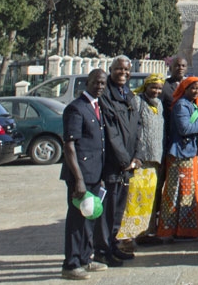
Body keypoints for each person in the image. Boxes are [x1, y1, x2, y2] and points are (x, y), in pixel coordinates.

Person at [60, 69, 108, 280]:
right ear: (87, 83)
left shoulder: (97, 107)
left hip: (95, 174)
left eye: (103, 83)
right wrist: (78, 179)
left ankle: (85, 258)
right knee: (76, 222)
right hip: (81, 176)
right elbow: (69, 146)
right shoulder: (76, 109)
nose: (99, 86)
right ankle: (71, 264)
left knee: (90, 218)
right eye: (96, 82)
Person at [95, 56, 140, 267]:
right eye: (118, 69)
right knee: (108, 210)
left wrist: (136, 156)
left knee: (119, 209)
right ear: (110, 70)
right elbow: (111, 132)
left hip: (128, 164)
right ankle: (103, 251)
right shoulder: (105, 96)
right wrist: (124, 160)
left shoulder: (129, 95)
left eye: (126, 70)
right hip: (114, 164)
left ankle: (114, 245)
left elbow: (136, 128)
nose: (123, 73)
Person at [157, 76, 198, 241]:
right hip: (181, 155)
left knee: (187, 192)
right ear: (185, 88)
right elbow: (184, 128)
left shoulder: (190, 104)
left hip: (188, 153)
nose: (197, 92)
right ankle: (175, 231)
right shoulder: (182, 105)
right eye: (193, 88)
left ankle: (184, 230)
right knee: (178, 192)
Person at [119, 74, 164, 249]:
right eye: (153, 87)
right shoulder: (138, 102)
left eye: (159, 88)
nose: (156, 91)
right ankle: (128, 235)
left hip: (155, 159)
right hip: (141, 159)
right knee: (135, 198)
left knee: (150, 198)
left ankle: (146, 232)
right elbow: (133, 129)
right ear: (146, 87)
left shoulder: (159, 104)